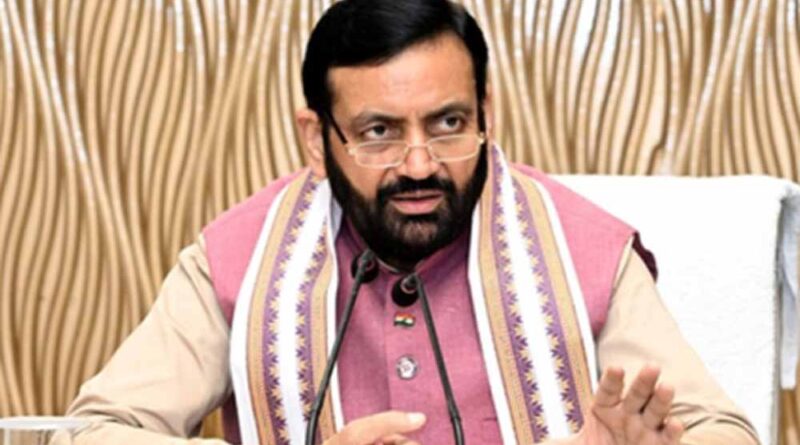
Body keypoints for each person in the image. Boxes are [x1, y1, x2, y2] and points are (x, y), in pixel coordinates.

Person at [67, 1, 760, 444]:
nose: (421, 163)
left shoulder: (588, 250)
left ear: (486, 114)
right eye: (379, 132)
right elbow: (97, 430)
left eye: (448, 122)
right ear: (317, 141)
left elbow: (722, 431)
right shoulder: (236, 260)